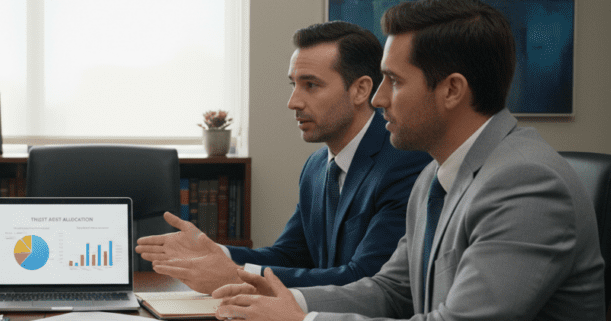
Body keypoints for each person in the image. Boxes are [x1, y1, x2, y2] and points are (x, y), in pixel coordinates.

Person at [214, 0, 611, 321]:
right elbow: (391, 291)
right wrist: (287, 299)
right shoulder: (435, 172)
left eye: (392, 80)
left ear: (451, 90)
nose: (378, 97)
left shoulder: (525, 182)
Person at [136, 21, 430, 294]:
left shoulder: (404, 162)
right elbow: (288, 255)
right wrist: (214, 252)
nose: (294, 102)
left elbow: (365, 278)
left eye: (311, 85)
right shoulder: (316, 167)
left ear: (361, 89)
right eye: (294, 84)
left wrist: (235, 274)